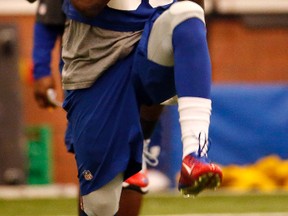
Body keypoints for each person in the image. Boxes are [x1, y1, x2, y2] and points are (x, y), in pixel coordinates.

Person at [61, 0, 223, 215]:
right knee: (101, 204)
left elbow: (194, 23)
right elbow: (86, 5)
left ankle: (195, 152)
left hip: (152, 43)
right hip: (98, 63)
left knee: (188, 13)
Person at [28, 0, 164, 215]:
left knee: (131, 173)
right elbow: (52, 9)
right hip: (91, 74)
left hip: (141, 68)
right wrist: (41, 67)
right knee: (94, 171)